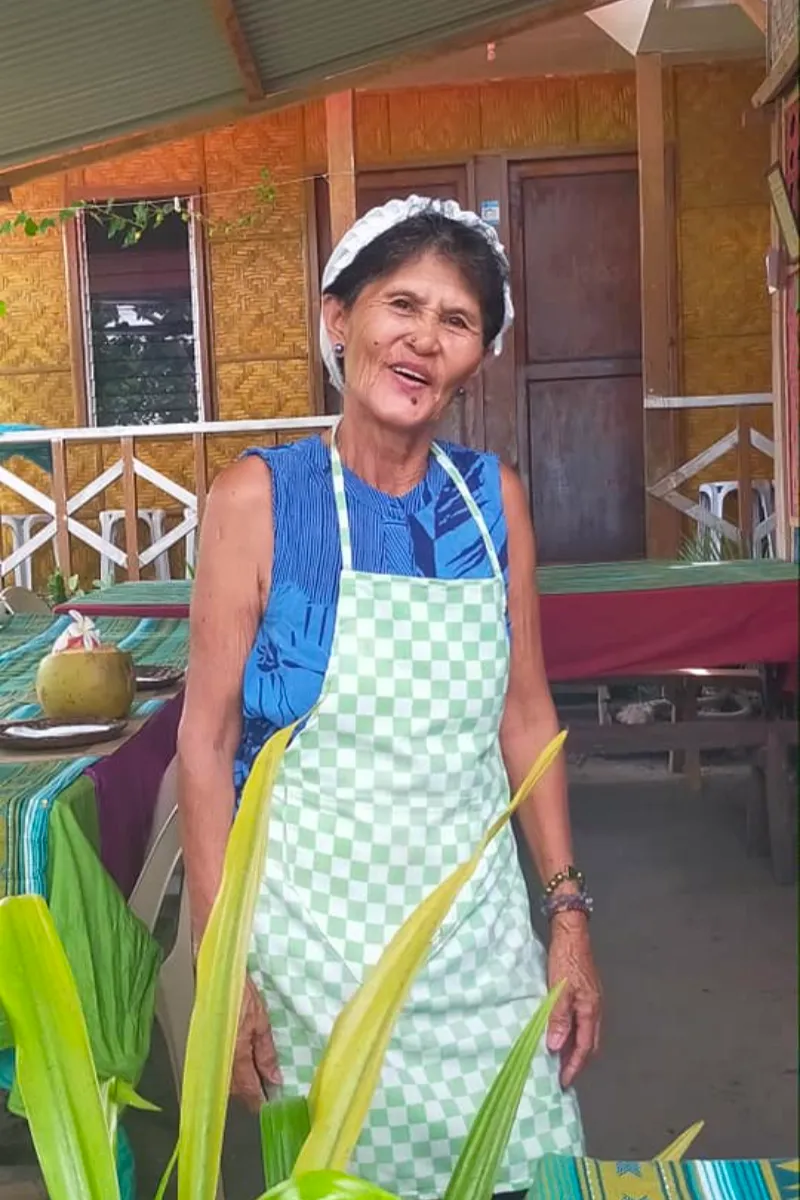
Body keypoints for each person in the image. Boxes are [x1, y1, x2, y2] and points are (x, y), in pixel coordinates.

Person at [177, 195, 601, 1199]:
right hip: (313, 962)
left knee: (524, 1167)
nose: (423, 338)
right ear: (340, 318)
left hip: (477, 951)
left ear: (475, 356)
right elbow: (207, 741)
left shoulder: (490, 501)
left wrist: (569, 916)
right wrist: (221, 970)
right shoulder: (257, 500)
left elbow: (524, 717)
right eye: (400, 305)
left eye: (456, 320)